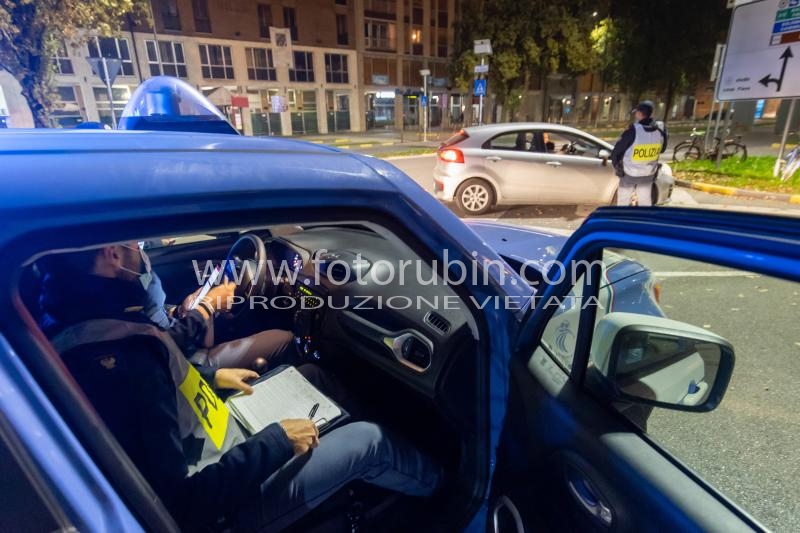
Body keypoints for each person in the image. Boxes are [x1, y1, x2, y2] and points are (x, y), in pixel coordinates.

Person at [38, 243, 442, 531]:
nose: (139, 252)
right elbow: (183, 505)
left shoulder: (80, 329)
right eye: (130, 245)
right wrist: (277, 442)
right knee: (369, 441)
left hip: (216, 441)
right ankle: (445, 494)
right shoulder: (122, 363)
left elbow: (160, 395)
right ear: (111, 256)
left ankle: (367, 480)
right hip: (224, 508)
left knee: (312, 377)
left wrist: (213, 378)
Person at [128, 242, 294, 372]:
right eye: (134, 244)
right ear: (112, 253)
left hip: (181, 340)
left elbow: (154, 315)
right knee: (285, 338)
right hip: (186, 362)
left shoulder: (130, 285)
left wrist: (178, 311)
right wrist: (207, 306)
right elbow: (157, 350)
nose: (139, 249)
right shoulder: (120, 304)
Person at [610, 100, 668, 206]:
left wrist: (617, 165)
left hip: (629, 173)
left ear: (640, 113)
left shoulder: (633, 131)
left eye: (636, 112)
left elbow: (617, 151)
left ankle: (623, 221)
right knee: (645, 202)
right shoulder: (659, 131)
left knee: (623, 201)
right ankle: (644, 220)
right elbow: (662, 149)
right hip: (648, 173)